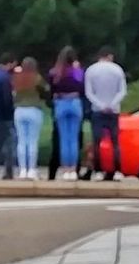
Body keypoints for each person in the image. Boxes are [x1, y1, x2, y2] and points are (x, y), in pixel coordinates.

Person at [85, 46, 127, 181]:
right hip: (113, 110)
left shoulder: (91, 70)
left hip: (97, 110)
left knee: (97, 141)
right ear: (110, 56)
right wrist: (112, 104)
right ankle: (117, 171)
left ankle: (98, 170)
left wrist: (100, 105)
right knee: (115, 142)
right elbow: (122, 91)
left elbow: (89, 92)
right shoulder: (117, 70)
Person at [49, 47, 85, 180]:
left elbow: (52, 90)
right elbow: (82, 88)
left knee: (64, 139)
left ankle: (65, 170)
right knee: (74, 139)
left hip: (61, 103)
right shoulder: (77, 72)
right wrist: (77, 68)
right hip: (75, 102)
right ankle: (73, 169)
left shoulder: (55, 72)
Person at [11, 57, 47, 180]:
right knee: (32, 141)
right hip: (34, 109)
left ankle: (22, 170)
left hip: (19, 110)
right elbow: (45, 90)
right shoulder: (36, 78)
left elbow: (12, 93)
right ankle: (31, 169)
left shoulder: (16, 78)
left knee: (21, 141)